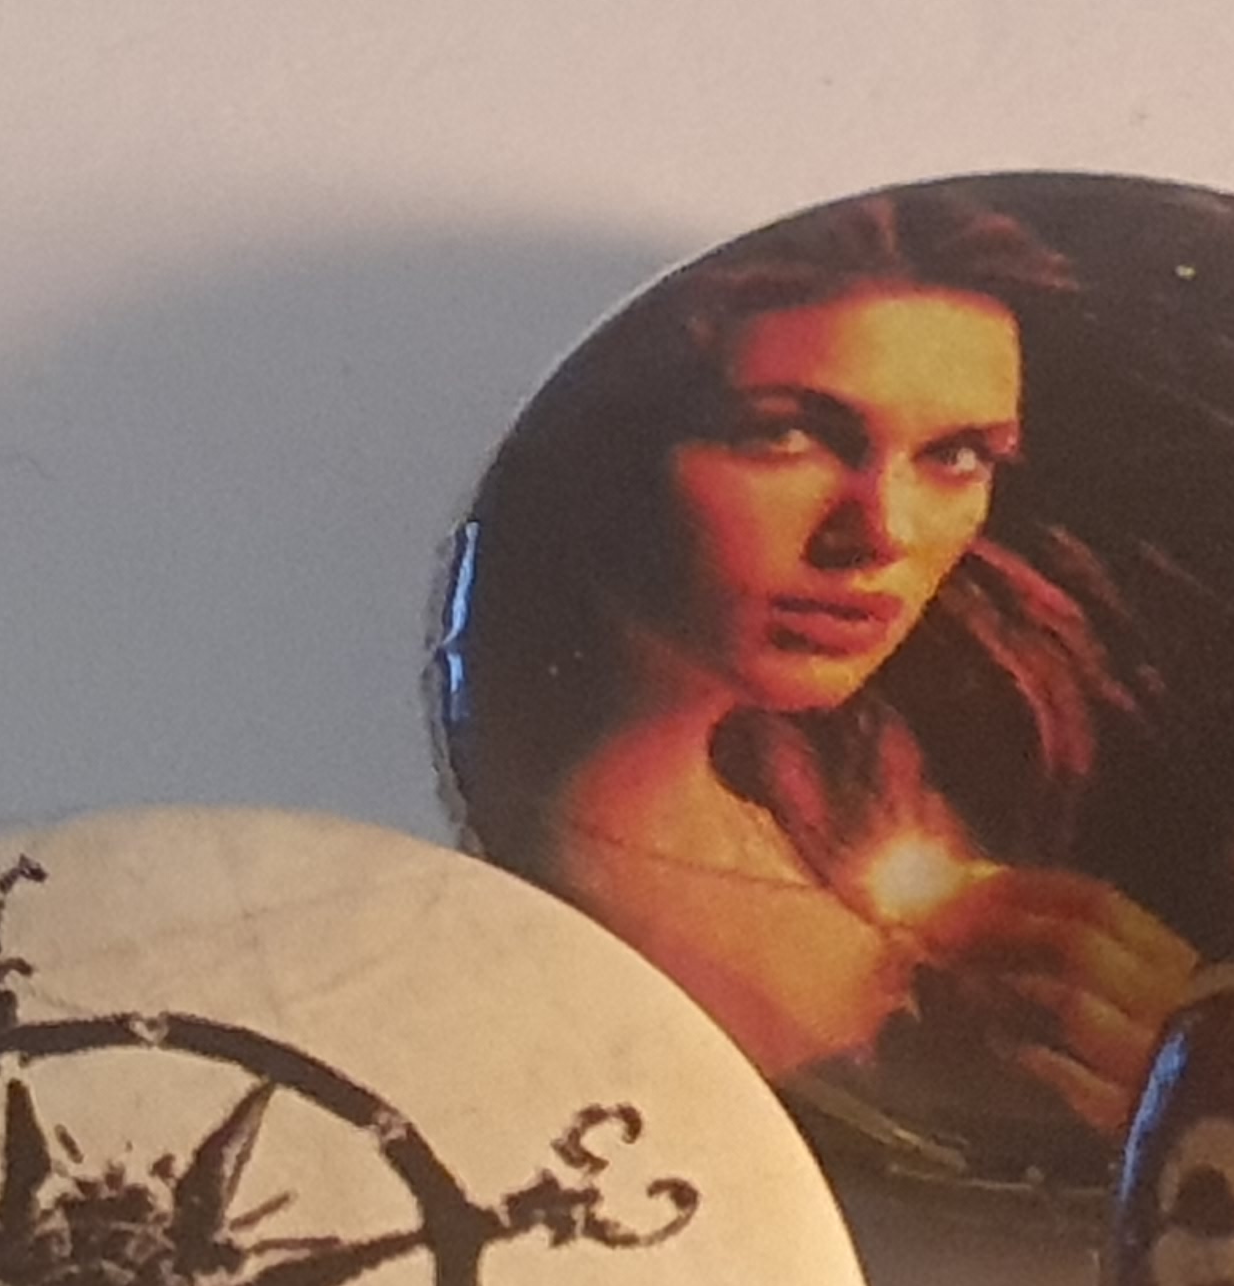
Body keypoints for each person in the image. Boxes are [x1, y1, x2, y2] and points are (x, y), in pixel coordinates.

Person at [441, 191, 1193, 1161]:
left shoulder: (857, 815)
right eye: (782, 434)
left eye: (957, 455)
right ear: (614, 444)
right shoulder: (518, 885)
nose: (882, 533)